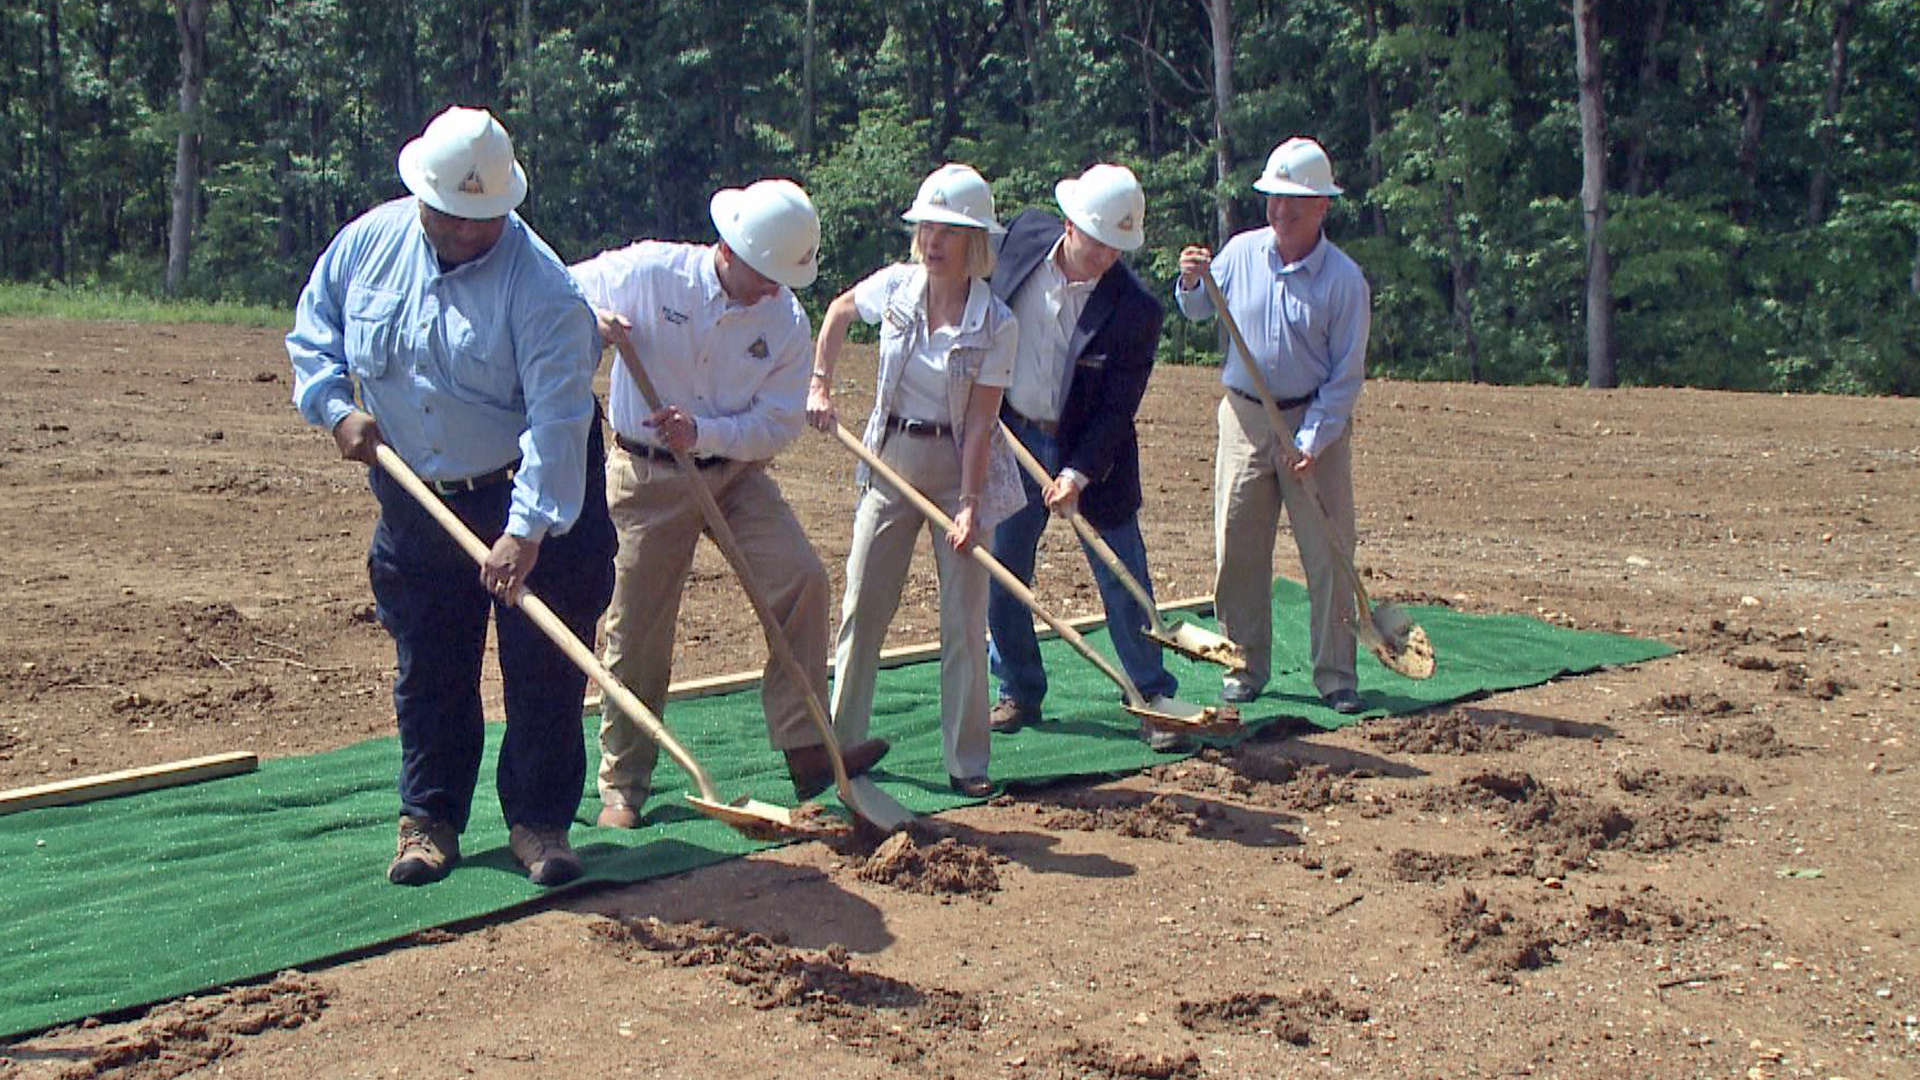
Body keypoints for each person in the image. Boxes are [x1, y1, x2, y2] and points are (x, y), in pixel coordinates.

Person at [287, 106, 616, 887]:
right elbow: (315, 330)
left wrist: (527, 530)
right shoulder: (366, 247)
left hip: (533, 490)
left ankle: (539, 824)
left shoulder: (544, 290)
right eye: (451, 216)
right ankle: (429, 820)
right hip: (414, 489)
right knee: (430, 661)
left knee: (543, 663)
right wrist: (334, 406)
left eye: (484, 219)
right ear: (420, 196)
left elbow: (559, 420)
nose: (467, 232)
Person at [568, 179, 889, 829]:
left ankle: (807, 747)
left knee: (800, 578)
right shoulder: (653, 272)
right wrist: (591, 322)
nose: (775, 288)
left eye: (783, 276)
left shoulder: (785, 319)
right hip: (647, 478)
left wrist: (704, 433)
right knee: (639, 633)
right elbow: (558, 288)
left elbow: (778, 423)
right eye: (766, 273)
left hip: (734, 474)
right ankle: (624, 786)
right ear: (730, 248)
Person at [806, 163, 1022, 798]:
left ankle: (967, 762)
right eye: (926, 227)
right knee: (863, 605)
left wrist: (971, 506)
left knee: (964, 616)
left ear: (974, 244)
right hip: (891, 456)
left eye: (948, 232)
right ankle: (842, 749)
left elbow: (982, 425)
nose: (932, 241)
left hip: (959, 469)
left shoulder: (996, 324)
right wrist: (820, 382)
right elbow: (840, 312)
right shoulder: (896, 289)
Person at [983, 163, 1185, 749]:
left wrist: (1076, 474)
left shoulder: (1135, 309)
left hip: (1092, 453)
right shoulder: (1021, 239)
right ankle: (1019, 688)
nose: (1106, 259)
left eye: (1119, 248)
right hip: (1012, 435)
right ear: (1069, 225)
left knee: (1123, 572)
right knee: (1005, 569)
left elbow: (1117, 410)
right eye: (1098, 243)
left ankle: (1150, 692)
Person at [1174, 136, 1370, 715]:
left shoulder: (1344, 281)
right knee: (1237, 547)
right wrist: (1190, 281)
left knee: (1330, 554)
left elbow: (1345, 377)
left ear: (1322, 207)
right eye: (1273, 199)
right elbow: (1197, 309)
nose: (1280, 212)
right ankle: (1243, 665)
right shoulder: (1239, 253)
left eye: (1294, 202)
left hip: (1315, 421)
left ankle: (1336, 674)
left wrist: (1311, 441)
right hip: (1244, 417)